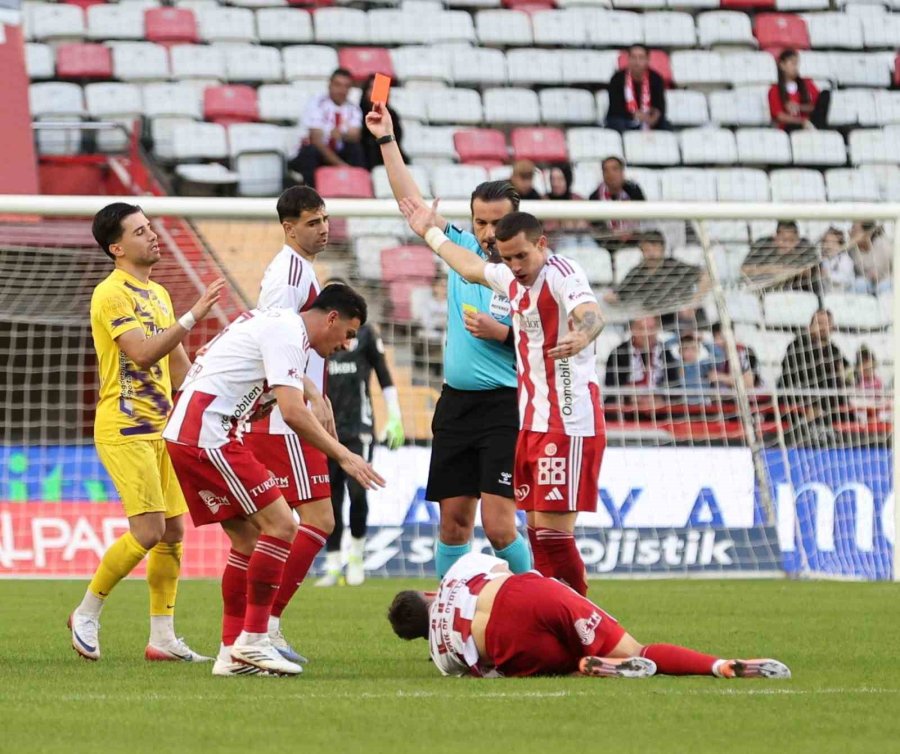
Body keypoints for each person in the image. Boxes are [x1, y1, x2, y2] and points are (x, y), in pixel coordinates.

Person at [163, 285, 385, 676]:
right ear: (332, 318)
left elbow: (220, 365)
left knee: (247, 540)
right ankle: (255, 639)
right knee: (282, 525)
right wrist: (344, 455)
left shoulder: (271, 323)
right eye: (348, 333)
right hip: (209, 433)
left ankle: (231, 654)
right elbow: (293, 413)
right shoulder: (288, 331)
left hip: (190, 431)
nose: (347, 344)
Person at [400, 206, 606, 597]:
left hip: (568, 422)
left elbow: (591, 313)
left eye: (521, 256)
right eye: (508, 258)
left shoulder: (562, 273)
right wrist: (429, 232)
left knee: (553, 538)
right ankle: (550, 615)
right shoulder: (510, 278)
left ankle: (581, 619)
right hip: (532, 424)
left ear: (541, 244)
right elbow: (468, 265)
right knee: (538, 536)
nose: (515, 266)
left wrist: (583, 334)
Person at [366, 102, 532, 580]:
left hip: (505, 407)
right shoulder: (460, 249)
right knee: (454, 524)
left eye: (497, 223)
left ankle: (537, 602)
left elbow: (551, 340)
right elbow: (413, 206)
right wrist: (386, 139)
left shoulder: (532, 271)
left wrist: (504, 334)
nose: (488, 233)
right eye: (480, 222)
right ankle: (450, 615)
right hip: (456, 406)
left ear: (518, 222)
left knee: (499, 527)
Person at [68, 202, 225, 663]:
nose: (152, 235)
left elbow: (177, 369)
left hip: (162, 428)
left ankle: (162, 637)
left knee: (173, 530)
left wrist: (215, 382)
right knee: (149, 529)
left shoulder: (158, 294)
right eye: (139, 231)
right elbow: (140, 353)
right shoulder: (110, 294)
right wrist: (192, 317)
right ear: (116, 248)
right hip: (125, 427)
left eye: (151, 227)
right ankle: (86, 612)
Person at [387, 552, 791, 680]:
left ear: (419, 636)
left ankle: (585, 667)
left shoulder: (441, 659)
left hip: (507, 646)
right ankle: (719, 665)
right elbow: (504, 568)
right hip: (524, 595)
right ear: (428, 594)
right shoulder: (455, 574)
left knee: (562, 665)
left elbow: (483, 673)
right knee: (638, 649)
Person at [241, 186, 335, 665]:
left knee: (276, 528)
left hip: (289, 411)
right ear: (288, 228)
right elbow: (272, 341)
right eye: (312, 222)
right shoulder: (288, 276)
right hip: (286, 417)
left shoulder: (301, 269)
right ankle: (265, 626)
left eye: (325, 219)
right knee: (316, 520)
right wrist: (310, 393)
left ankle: (254, 628)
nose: (323, 229)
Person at [318, 280, 405, 587]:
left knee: (357, 492)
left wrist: (395, 417)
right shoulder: (319, 335)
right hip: (326, 431)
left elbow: (384, 375)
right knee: (331, 497)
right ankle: (332, 563)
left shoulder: (365, 334)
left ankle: (356, 556)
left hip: (359, 428)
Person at [778, 309, 852, 443]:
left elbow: (849, 374)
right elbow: (792, 376)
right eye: (819, 323)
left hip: (829, 404)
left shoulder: (834, 350)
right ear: (810, 326)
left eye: (827, 323)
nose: (823, 327)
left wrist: (847, 375)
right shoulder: (797, 346)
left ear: (832, 328)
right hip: (799, 399)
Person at [288, 68, 364, 188]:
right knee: (311, 152)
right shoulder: (316, 103)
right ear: (329, 85)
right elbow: (316, 140)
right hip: (308, 154)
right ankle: (312, 194)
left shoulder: (353, 108)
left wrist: (341, 135)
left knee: (356, 149)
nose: (342, 90)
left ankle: (358, 188)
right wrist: (341, 165)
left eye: (346, 86)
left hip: (337, 152)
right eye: (338, 85)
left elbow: (356, 135)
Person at [603, 230, 705, 320]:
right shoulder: (636, 273)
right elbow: (618, 295)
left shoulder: (675, 266)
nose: (651, 253)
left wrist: (693, 303)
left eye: (655, 248)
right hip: (652, 320)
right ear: (642, 251)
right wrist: (610, 298)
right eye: (647, 249)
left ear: (662, 249)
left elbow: (705, 276)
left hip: (681, 316)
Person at [604, 316, 679, 410]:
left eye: (651, 328)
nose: (647, 333)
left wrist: (660, 398)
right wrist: (630, 396)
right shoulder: (619, 352)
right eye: (642, 329)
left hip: (659, 406)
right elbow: (611, 385)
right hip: (628, 405)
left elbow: (675, 385)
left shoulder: (665, 352)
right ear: (632, 330)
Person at [741, 221, 820, 293]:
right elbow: (744, 269)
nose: (787, 244)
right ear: (776, 237)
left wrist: (785, 271)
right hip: (765, 291)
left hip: (797, 292)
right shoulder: (763, 245)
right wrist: (773, 269)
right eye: (783, 240)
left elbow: (812, 270)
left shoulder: (805, 246)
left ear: (798, 239)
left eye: (792, 240)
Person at [605, 44, 670, 133]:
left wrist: (654, 115)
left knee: (666, 126)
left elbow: (660, 106)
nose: (637, 62)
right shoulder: (617, 78)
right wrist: (634, 115)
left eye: (641, 58)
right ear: (628, 59)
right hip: (625, 119)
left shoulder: (656, 78)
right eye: (633, 57)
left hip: (648, 119)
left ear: (647, 60)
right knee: (617, 123)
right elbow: (615, 108)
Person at [588, 156, 644, 250]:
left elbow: (643, 217)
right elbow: (596, 225)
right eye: (606, 170)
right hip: (608, 245)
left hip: (634, 241)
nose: (611, 174)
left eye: (614, 169)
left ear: (622, 172)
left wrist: (629, 232)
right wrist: (613, 233)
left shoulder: (634, 191)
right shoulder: (594, 197)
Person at [768, 49, 830, 132]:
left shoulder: (807, 83)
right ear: (782, 65)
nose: (795, 67)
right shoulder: (774, 89)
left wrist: (799, 107)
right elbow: (780, 116)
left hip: (810, 121)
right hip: (790, 126)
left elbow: (816, 107)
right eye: (792, 63)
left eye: (797, 63)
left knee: (826, 94)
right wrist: (801, 121)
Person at [359, 74, 407, 170]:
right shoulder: (357, 112)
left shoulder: (392, 114)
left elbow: (397, 138)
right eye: (372, 88)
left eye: (380, 89)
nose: (375, 92)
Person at [543, 163, 593, 249]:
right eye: (552, 179)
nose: (555, 183)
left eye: (559, 179)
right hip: (555, 245)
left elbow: (586, 226)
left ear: (568, 179)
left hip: (580, 240)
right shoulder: (543, 201)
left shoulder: (578, 199)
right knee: (569, 241)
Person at [708, 322, 761, 390]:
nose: (717, 341)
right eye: (715, 337)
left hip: (751, 395)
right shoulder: (718, 356)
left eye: (720, 337)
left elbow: (748, 383)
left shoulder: (745, 352)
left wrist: (721, 377)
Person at [849, 221, 892, 295]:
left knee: (884, 287)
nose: (850, 232)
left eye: (854, 229)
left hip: (885, 282)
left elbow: (879, 274)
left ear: (867, 233)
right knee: (859, 284)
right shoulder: (852, 250)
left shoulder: (882, 245)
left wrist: (874, 275)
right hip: (867, 283)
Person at [819, 227, 856, 293]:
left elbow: (847, 279)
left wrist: (828, 274)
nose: (828, 245)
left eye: (832, 242)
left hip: (844, 294)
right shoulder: (823, 261)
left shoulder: (845, 259)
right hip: (827, 295)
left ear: (840, 244)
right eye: (826, 242)